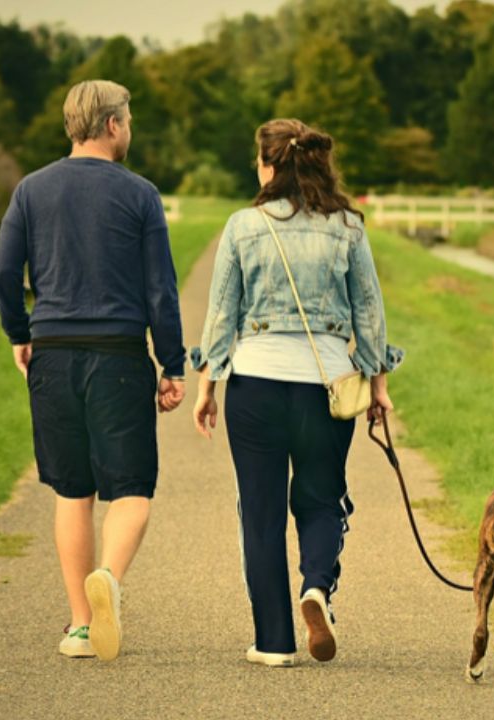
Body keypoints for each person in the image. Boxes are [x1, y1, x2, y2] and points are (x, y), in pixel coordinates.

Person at [189, 118, 402, 667]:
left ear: (268, 165)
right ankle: (317, 587)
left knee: (259, 513)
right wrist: (378, 386)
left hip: (256, 384)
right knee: (322, 497)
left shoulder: (242, 226)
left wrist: (207, 387)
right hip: (327, 387)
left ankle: (274, 642)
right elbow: (370, 315)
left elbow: (221, 315)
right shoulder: (349, 227)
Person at [0, 79, 186, 662]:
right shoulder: (140, 195)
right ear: (110, 126)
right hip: (119, 357)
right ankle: (109, 577)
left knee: (72, 492)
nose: (130, 129)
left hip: (52, 353)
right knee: (130, 491)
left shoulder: (31, 190)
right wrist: (172, 364)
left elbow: (4, 273)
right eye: (128, 120)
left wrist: (19, 334)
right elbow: (161, 290)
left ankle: (80, 624)